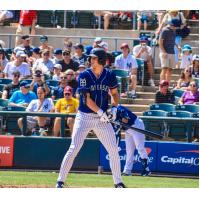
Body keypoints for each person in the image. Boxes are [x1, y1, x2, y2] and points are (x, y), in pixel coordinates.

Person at [56, 48, 125, 188]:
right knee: (74, 147)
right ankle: (60, 181)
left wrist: (114, 108)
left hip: (102, 118)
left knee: (113, 149)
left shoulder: (109, 75)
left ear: (100, 60)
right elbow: (86, 100)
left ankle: (118, 183)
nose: (90, 60)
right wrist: (101, 112)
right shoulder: (84, 75)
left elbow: (115, 94)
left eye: (93, 58)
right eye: (91, 58)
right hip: (85, 116)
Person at [112, 105, 151, 176]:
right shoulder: (111, 118)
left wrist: (119, 122)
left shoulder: (120, 109)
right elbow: (117, 133)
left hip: (136, 125)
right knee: (129, 150)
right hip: (128, 129)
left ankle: (146, 169)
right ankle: (127, 170)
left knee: (140, 148)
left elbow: (126, 120)